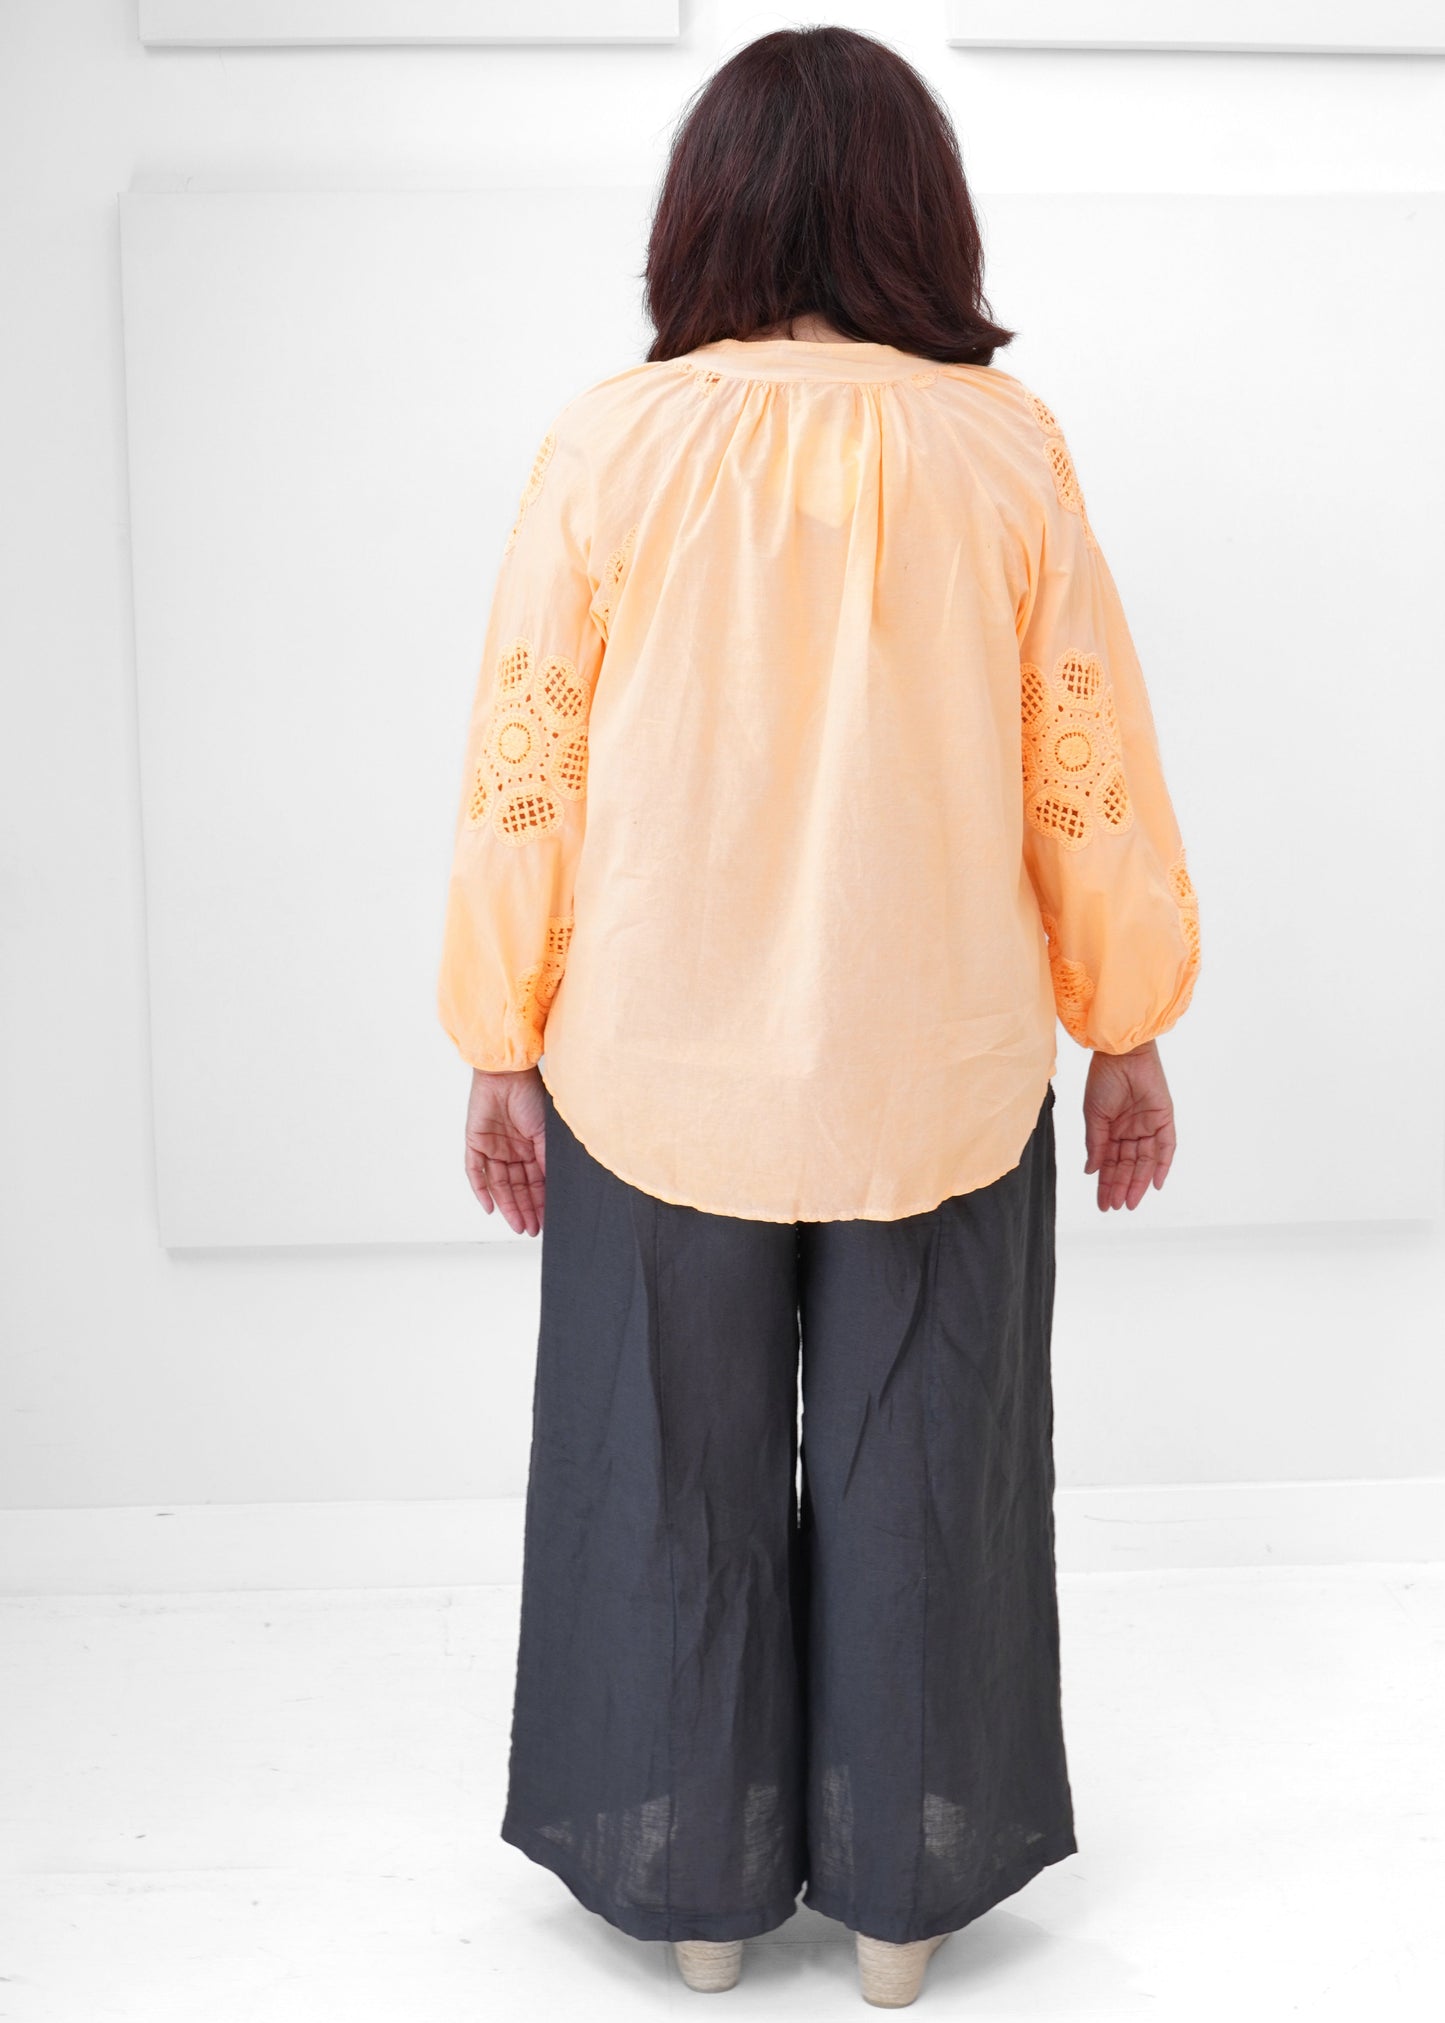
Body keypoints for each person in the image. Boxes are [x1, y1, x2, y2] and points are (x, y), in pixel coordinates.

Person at [435, 23, 1201, 2009]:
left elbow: (527, 765)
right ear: (919, 215)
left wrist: (498, 1035)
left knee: (659, 1474)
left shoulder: (611, 444)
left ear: (704, 211)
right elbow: (1085, 765)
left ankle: (691, 1895)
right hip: (931, 1064)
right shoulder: (1004, 448)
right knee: (926, 1473)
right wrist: (1124, 1018)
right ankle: (900, 1903)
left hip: (655, 1064)